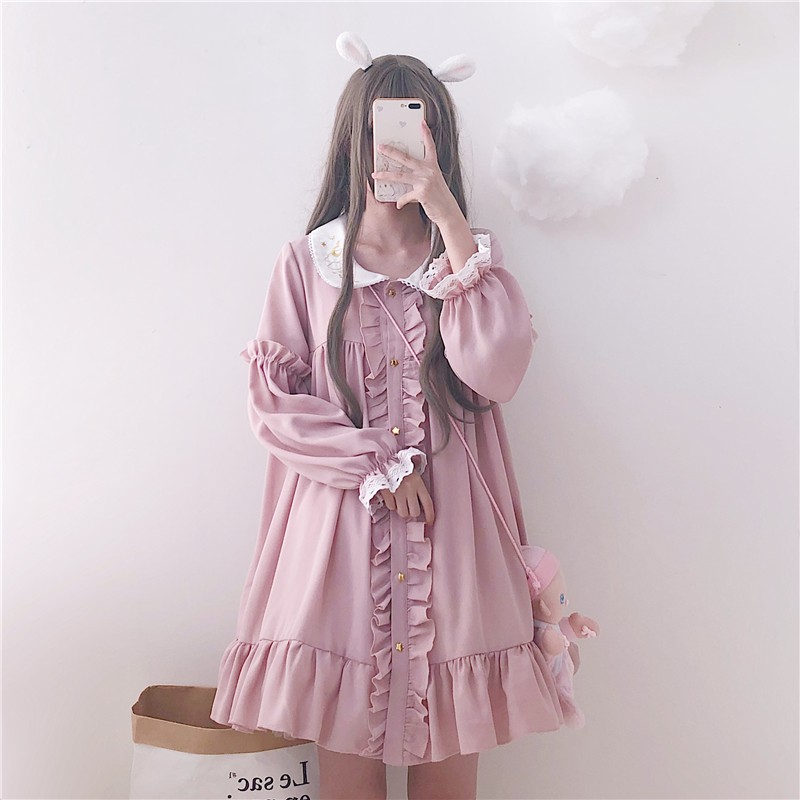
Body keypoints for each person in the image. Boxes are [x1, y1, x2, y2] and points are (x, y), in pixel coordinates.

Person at [209, 39, 566, 800]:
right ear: (354, 138)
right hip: (338, 544)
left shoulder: (468, 261)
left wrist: (448, 216)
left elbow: (497, 371)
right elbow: (273, 405)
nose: (397, 149)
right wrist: (377, 464)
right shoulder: (308, 264)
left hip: (456, 546)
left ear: (439, 142)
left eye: (418, 130)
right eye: (383, 130)